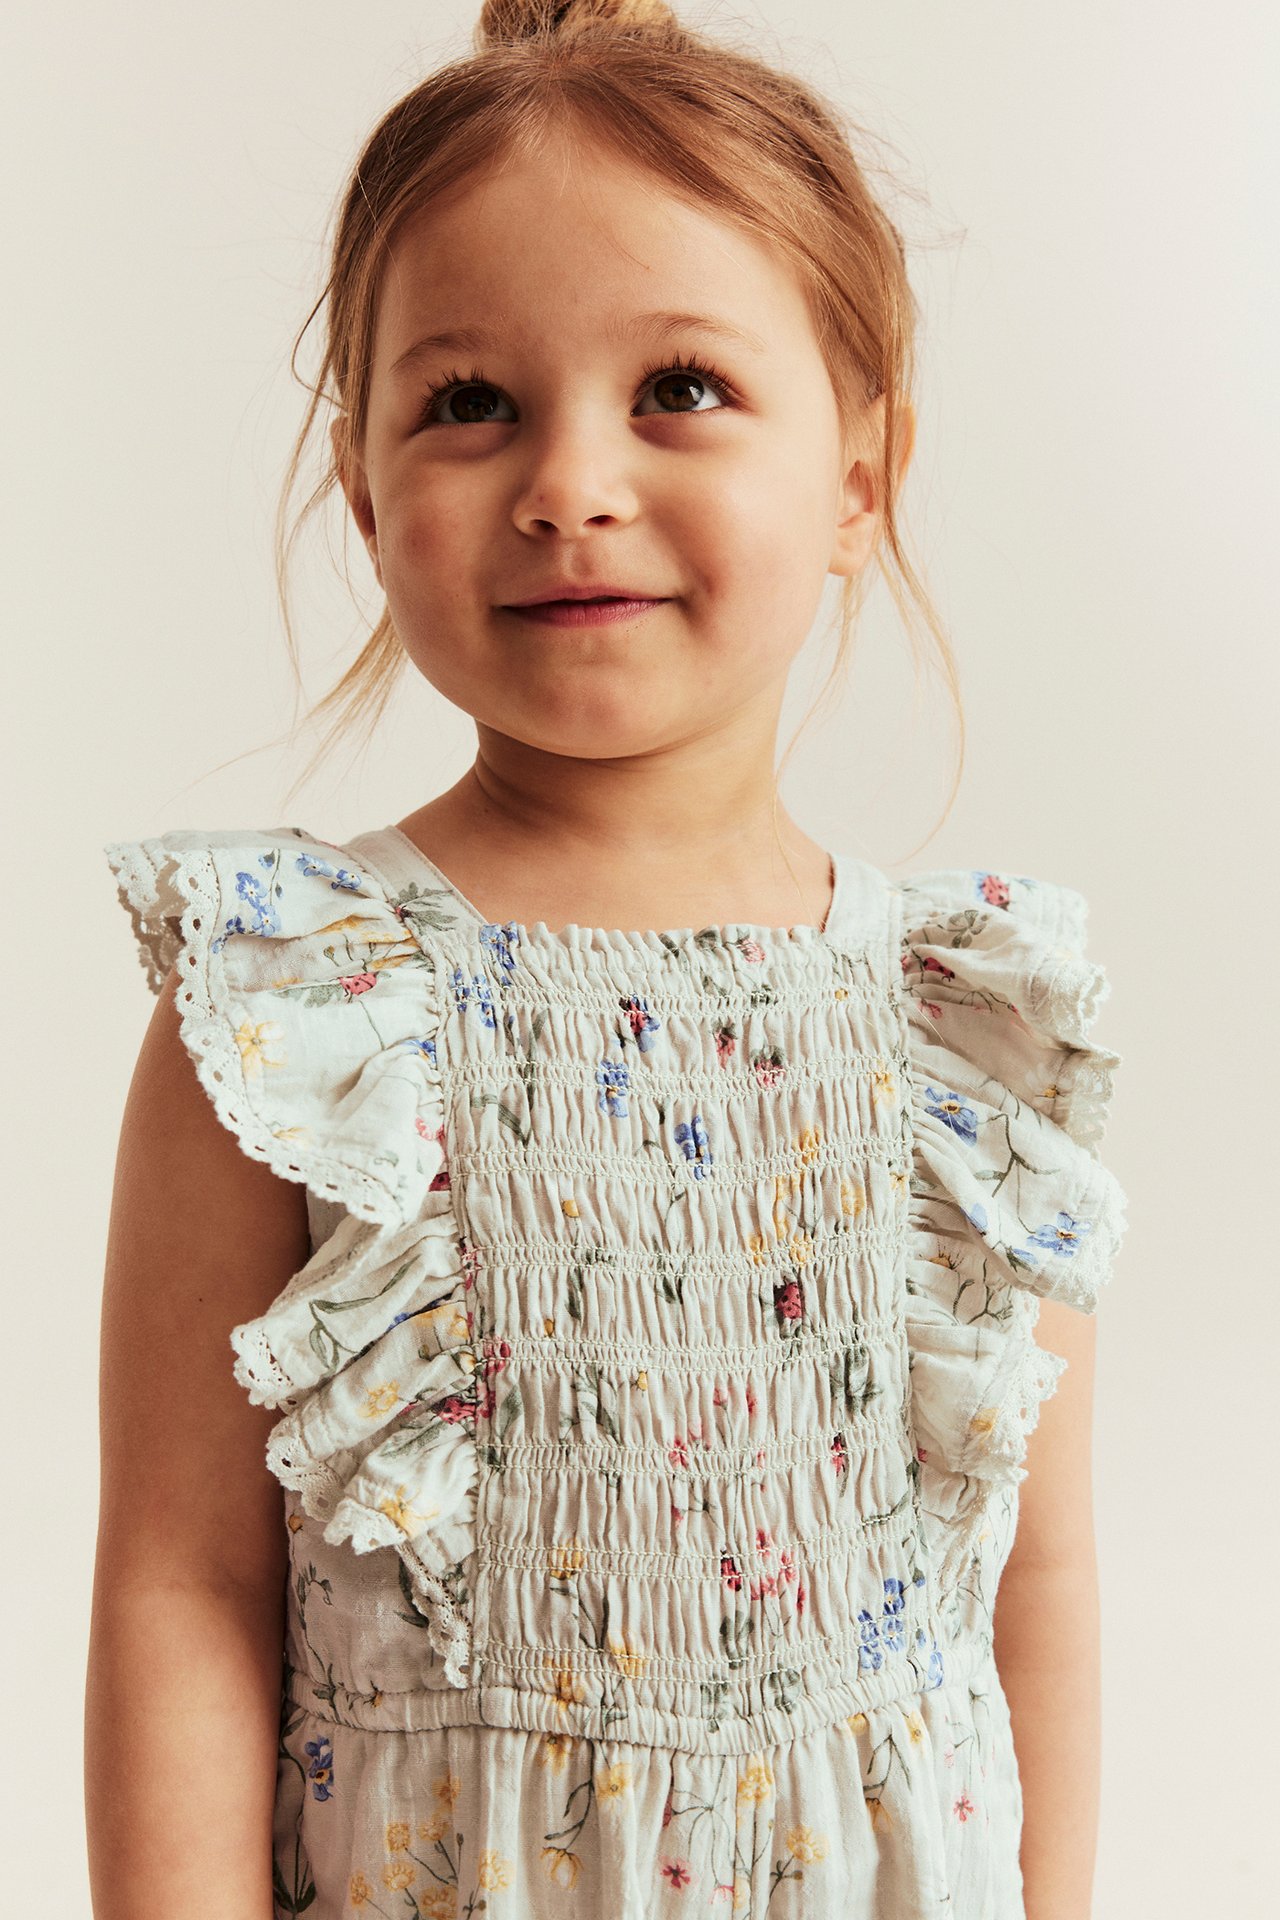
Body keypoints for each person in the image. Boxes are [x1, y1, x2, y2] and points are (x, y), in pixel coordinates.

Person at [87, 2, 1128, 1915]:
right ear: (361, 482)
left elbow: (1031, 1583)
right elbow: (183, 1587)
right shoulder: (297, 1006)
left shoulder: (966, 1027)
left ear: (862, 473)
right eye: (470, 401)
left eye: (680, 390)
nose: (570, 479)